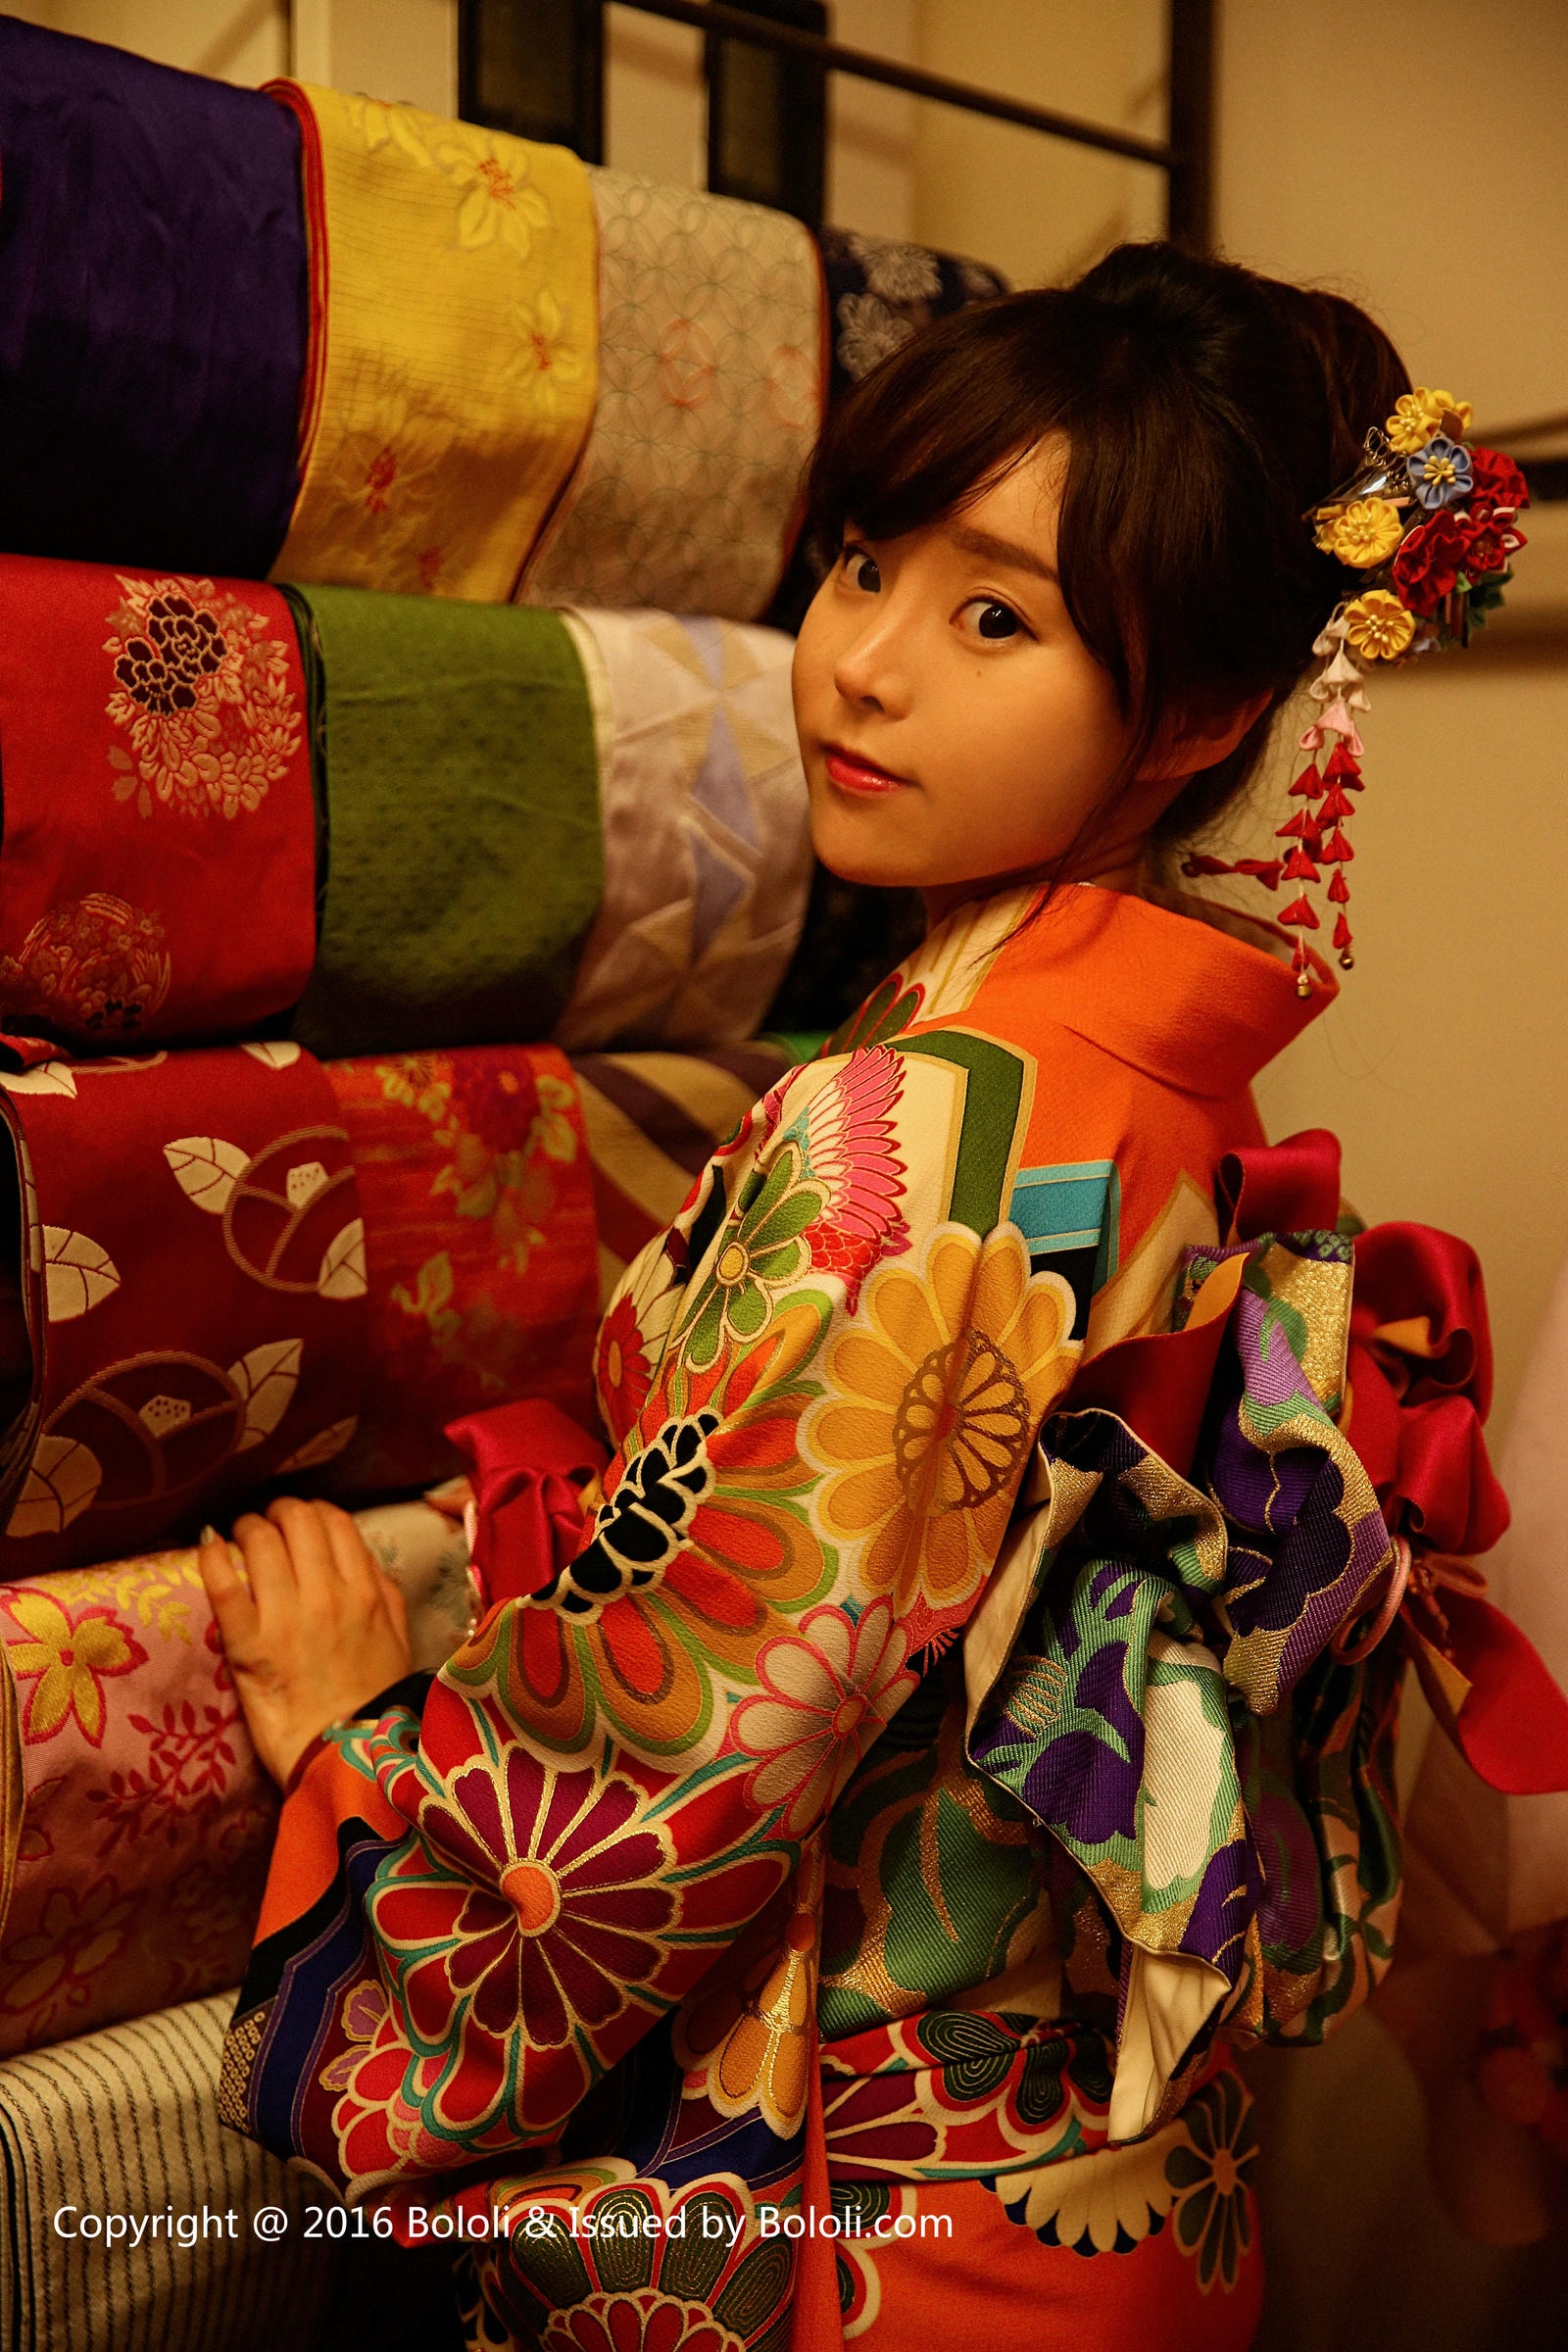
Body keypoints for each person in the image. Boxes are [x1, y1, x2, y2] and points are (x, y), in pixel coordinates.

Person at [199, 242, 1510, 2350]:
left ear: (1194, 712)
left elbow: (679, 1768)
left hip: (866, 2233)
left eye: (993, 616)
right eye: (862, 563)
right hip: (1115, 2201)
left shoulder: (911, 1140)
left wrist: (355, 1766)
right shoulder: (1163, 1083)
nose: (859, 666)